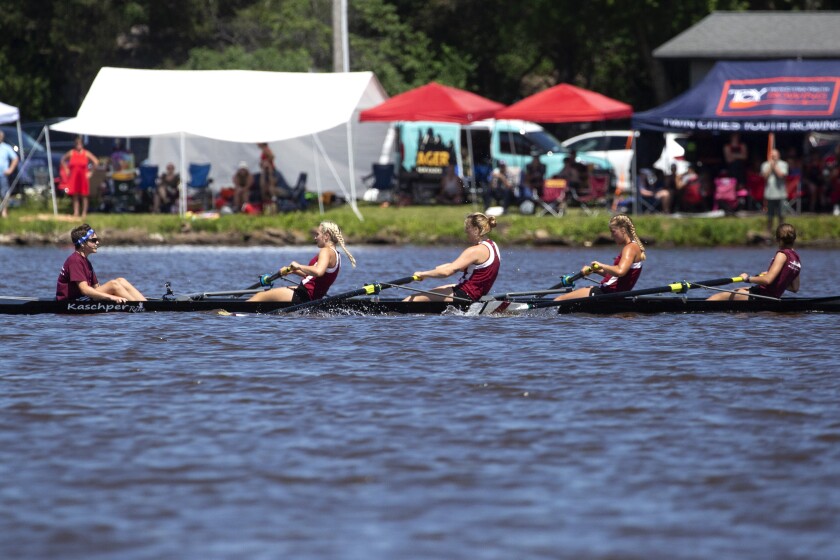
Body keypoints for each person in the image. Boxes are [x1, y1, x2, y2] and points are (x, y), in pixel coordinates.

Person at [248, 221, 356, 303]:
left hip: (304, 294)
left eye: (317, 234)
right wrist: (293, 271)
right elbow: (314, 277)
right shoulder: (336, 254)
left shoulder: (326, 251)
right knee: (268, 296)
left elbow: (318, 272)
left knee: (259, 297)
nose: (315, 238)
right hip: (310, 295)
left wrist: (299, 266)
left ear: (326, 236)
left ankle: (236, 314)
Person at [404, 212, 500, 303]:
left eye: (467, 229)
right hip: (476, 294)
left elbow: (446, 273)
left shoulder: (474, 251)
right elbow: (474, 269)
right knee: (436, 290)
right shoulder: (493, 245)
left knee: (411, 299)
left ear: (475, 230)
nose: (466, 232)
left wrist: (423, 274)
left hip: (465, 295)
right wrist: (447, 266)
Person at [554, 214, 646, 301]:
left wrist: (601, 265)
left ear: (623, 230)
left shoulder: (630, 248)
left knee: (559, 299)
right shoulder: (633, 247)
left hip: (605, 293)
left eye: (613, 232)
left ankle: (545, 316)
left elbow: (620, 271)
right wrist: (595, 270)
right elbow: (616, 277)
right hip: (612, 293)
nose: (611, 236)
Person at [707, 223, 800, 301]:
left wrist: (747, 279)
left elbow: (767, 280)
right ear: (794, 239)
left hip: (762, 295)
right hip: (770, 296)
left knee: (715, 298)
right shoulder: (796, 259)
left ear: (777, 239)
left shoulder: (782, 255)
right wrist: (776, 279)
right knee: (738, 296)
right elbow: (794, 288)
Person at [56, 224, 146, 302]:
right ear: (83, 243)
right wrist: (111, 297)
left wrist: (114, 294)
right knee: (113, 284)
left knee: (121, 280)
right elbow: (84, 290)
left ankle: (145, 303)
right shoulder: (75, 260)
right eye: (94, 240)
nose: (97, 242)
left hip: (83, 298)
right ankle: (137, 306)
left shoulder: (86, 261)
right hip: (72, 301)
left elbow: (96, 288)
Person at [61, 136, 99, 219]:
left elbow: (96, 162)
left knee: (84, 195)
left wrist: (90, 172)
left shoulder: (86, 153)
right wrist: (66, 169)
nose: (78, 145)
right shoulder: (71, 152)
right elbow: (63, 160)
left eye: (80, 144)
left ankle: (84, 212)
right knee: (75, 195)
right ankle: (76, 212)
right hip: (74, 176)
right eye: (77, 144)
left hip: (83, 176)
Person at [762, 148, 789, 235]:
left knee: (781, 216)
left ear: (778, 156)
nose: (773, 157)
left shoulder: (784, 164)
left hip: (781, 194)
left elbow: (781, 175)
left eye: (775, 155)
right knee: (769, 216)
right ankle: (768, 233)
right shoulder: (765, 164)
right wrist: (770, 166)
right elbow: (765, 176)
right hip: (769, 194)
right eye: (772, 156)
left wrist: (775, 166)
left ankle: (781, 233)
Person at [0, 130, 19, 219]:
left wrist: (10, 169)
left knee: (4, 193)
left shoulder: (6, 147)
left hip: (3, 174)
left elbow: (15, 158)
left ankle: (4, 212)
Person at [257, 142, 277, 210]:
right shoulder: (264, 150)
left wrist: (265, 162)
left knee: (268, 187)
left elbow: (272, 156)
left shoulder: (265, 149)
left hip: (269, 172)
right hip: (267, 171)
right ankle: (269, 205)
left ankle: (271, 204)